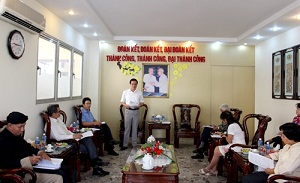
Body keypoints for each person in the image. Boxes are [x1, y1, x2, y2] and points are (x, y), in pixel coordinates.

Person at [46, 104, 110, 176]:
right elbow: (58, 138)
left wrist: (76, 134)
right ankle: (96, 165)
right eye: (58, 111)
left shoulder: (58, 120)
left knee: (87, 139)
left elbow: (66, 130)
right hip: (66, 143)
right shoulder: (50, 124)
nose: (60, 113)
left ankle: (96, 165)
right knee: (87, 148)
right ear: (53, 113)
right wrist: (73, 136)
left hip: (71, 137)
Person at [0, 111, 63, 183]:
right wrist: (27, 161)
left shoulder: (16, 136)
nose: (22, 130)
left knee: (62, 169)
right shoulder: (2, 140)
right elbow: (5, 164)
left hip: (28, 169)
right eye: (20, 127)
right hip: (18, 174)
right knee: (58, 177)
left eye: (24, 126)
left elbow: (27, 147)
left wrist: (40, 152)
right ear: (10, 126)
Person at [199, 111, 245, 176]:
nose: (223, 122)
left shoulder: (231, 126)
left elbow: (229, 140)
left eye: (223, 121)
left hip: (237, 147)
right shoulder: (235, 124)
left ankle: (208, 169)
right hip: (239, 145)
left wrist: (224, 136)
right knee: (217, 149)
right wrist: (224, 135)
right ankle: (213, 170)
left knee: (217, 150)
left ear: (225, 120)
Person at [120, 78, 144, 150]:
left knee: (135, 128)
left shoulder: (139, 93)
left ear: (137, 85)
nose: (134, 85)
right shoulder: (125, 92)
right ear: (130, 84)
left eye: (135, 84)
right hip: (128, 111)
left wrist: (139, 105)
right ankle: (125, 144)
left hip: (136, 111)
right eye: (132, 84)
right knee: (127, 128)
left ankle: (134, 144)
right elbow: (122, 101)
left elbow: (142, 102)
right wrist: (125, 105)